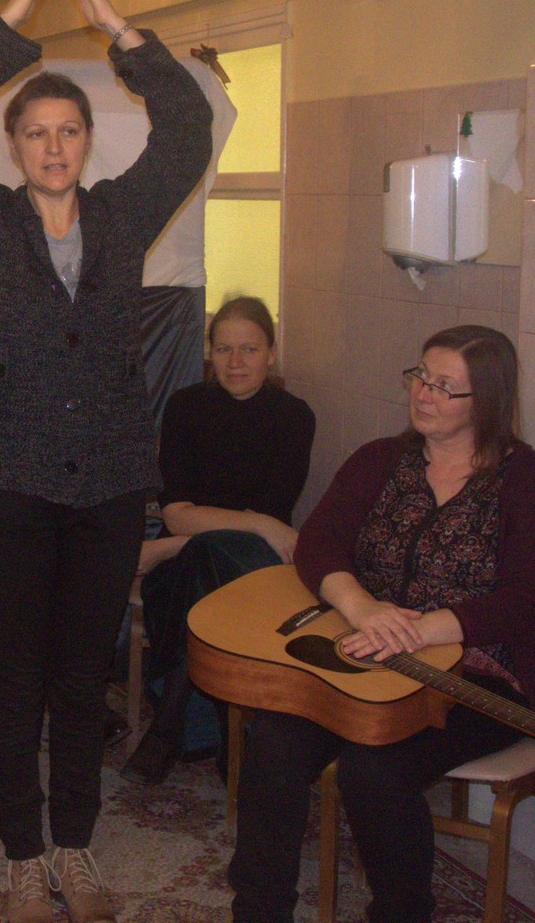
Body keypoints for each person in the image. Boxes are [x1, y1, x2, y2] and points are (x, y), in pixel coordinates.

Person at [0, 0, 213, 923]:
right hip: (7, 483)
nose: (52, 147)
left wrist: (119, 29)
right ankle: (20, 854)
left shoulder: (122, 215)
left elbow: (187, 125)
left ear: (87, 141)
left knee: (81, 680)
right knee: (15, 678)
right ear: (12, 146)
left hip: (109, 484)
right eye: (35, 133)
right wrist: (12, 16)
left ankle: (74, 849)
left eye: (68, 131)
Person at [227, 324, 535, 923]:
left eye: (444, 386)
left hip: (477, 679)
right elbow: (319, 542)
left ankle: (403, 912)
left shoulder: (528, 481)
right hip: (363, 658)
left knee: (375, 767)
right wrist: (362, 607)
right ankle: (259, 910)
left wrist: (422, 629)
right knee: (274, 740)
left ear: (487, 400)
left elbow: (527, 595)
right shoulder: (381, 460)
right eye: (420, 376)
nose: (422, 394)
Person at [121, 296, 315, 786]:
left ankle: (168, 727)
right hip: (196, 563)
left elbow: (267, 513)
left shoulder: (294, 416)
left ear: (272, 353)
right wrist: (259, 523)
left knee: (211, 562)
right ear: (209, 353)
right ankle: (230, 733)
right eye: (224, 349)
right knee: (206, 566)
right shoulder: (185, 407)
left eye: (249, 349)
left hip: (253, 564)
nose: (236, 362)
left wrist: (166, 546)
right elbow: (176, 513)